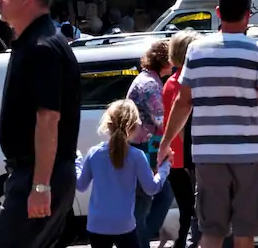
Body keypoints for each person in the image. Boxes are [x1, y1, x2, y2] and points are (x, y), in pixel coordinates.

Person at [158, 0, 258, 248]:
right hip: (248, 154)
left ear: (218, 12)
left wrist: (167, 141)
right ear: (248, 15)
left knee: (212, 231)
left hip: (208, 154)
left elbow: (183, 102)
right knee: (244, 232)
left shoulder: (196, 51)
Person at [0, 0, 82, 248]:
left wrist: (40, 185)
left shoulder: (42, 48)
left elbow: (48, 119)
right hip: (32, 173)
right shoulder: (34, 43)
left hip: (39, 175)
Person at [78, 99, 173, 248]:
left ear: (108, 125)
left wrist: (77, 162)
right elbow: (152, 188)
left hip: (97, 225)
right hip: (124, 225)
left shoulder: (94, 153)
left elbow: (81, 185)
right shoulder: (137, 156)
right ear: (135, 126)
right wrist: (164, 167)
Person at [126, 39, 173, 246]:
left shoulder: (148, 80)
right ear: (165, 61)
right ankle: (140, 240)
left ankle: (141, 238)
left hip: (146, 146)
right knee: (146, 200)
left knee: (155, 196)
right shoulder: (150, 85)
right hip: (143, 148)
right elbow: (161, 120)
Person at [162, 29, 201, 248]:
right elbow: (184, 126)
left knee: (189, 211)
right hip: (186, 159)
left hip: (178, 158)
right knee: (193, 211)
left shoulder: (172, 82)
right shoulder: (182, 83)